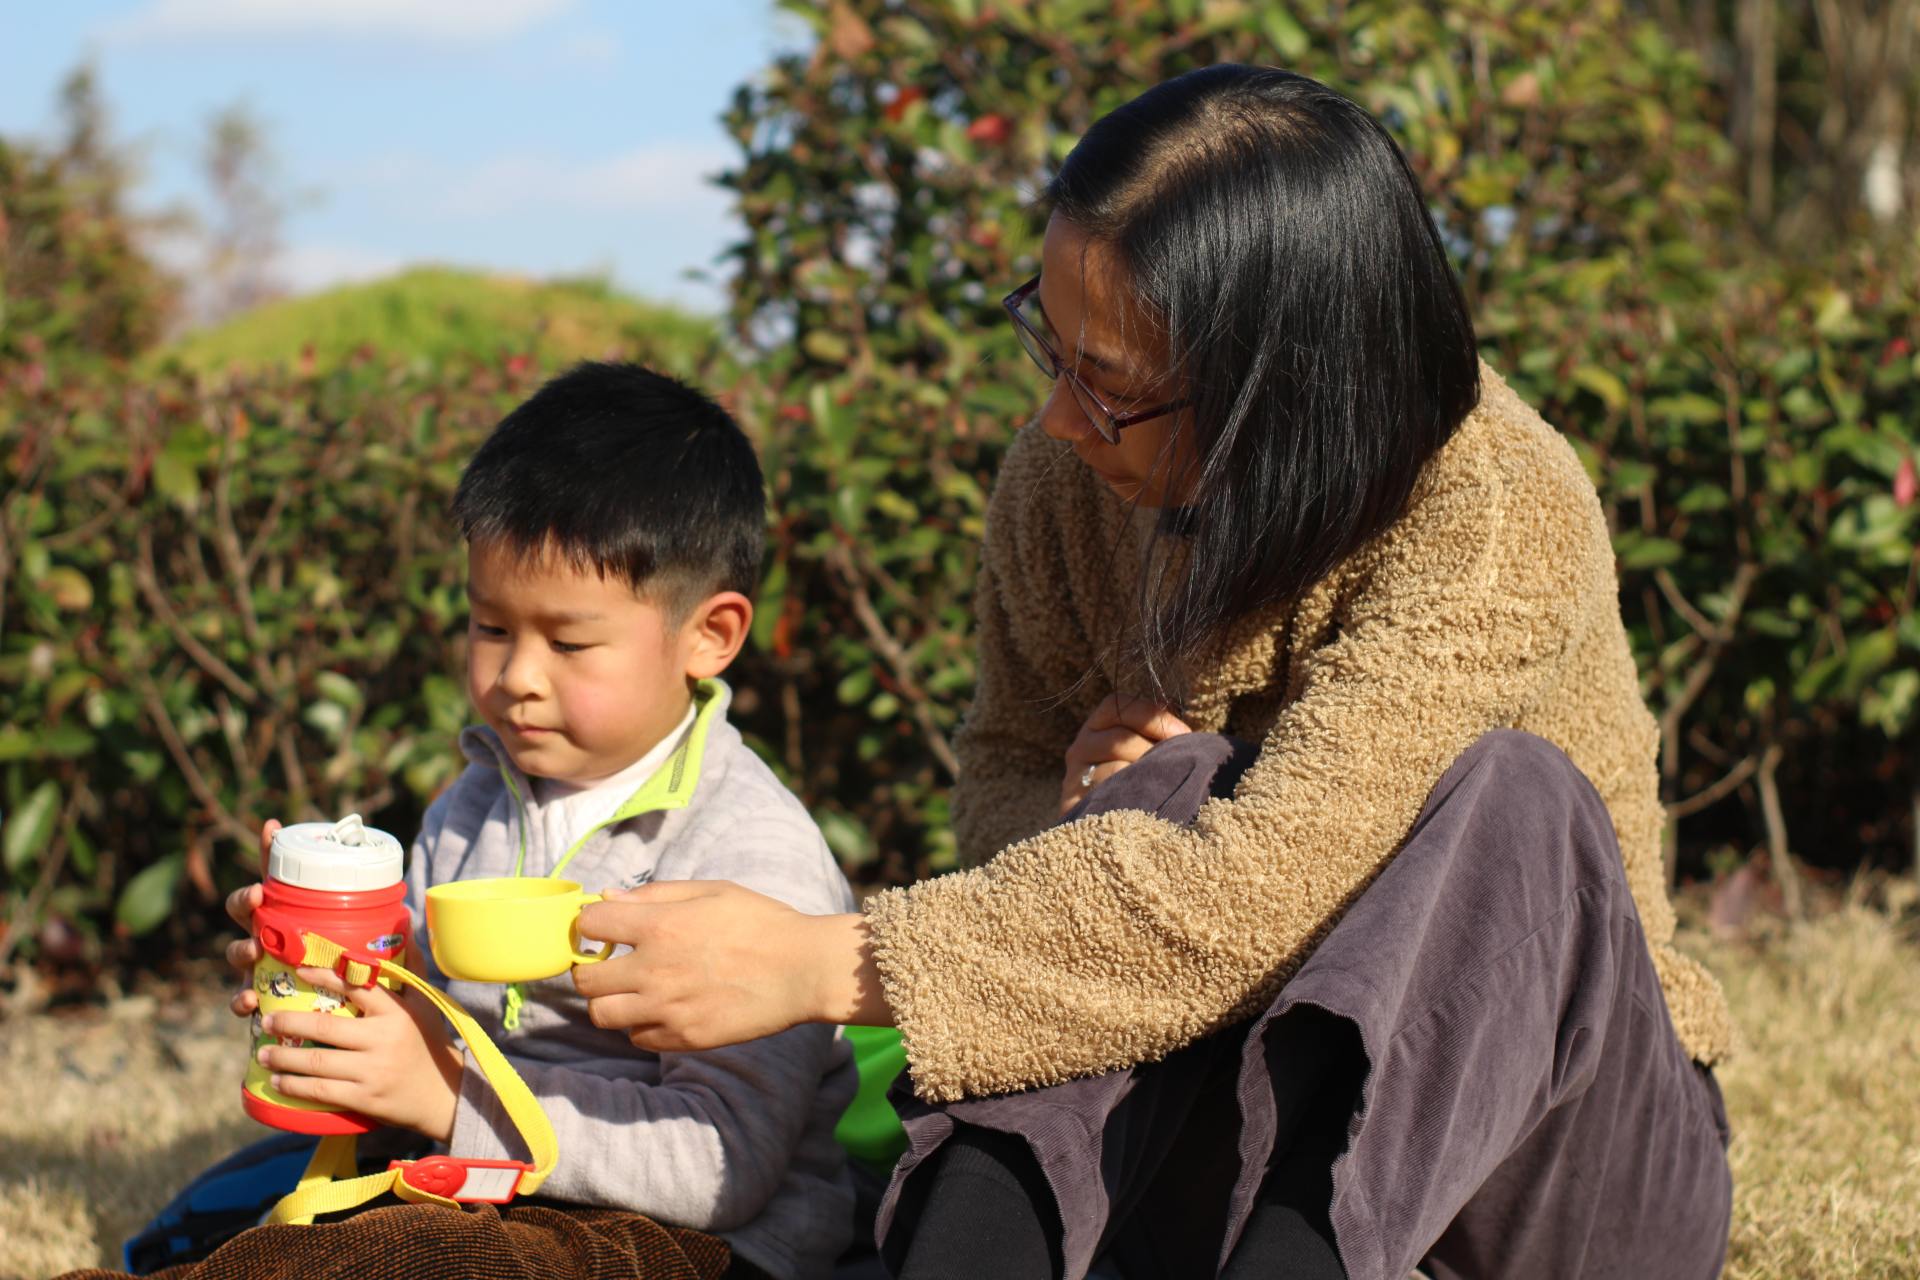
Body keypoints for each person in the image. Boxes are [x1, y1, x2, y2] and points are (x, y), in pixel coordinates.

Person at [569, 66, 1735, 1279]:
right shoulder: (1065, 487)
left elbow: (1256, 890)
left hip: (1552, 1174)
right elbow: (1002, 773)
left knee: (1516, 798)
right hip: (1223, 1153)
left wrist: (824, 961)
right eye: (1052, 344)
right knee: (1160, 793)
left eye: (1111, 383)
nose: (1061, 419)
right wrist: (1075, 811)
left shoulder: (1491, 509)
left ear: (1283, 390)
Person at [86, 362, 858, 1280]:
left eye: (568, 641)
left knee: (403, 1260)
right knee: (244, 1221)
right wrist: (332, 977)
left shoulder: (750, 852)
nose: (518, 676)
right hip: (478, 1180)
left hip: (687, 1242)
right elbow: (427, 1021)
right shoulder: (474, 803)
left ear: (710, 636)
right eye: (491, 628)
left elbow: (720, 1165)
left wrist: (448, 1095)